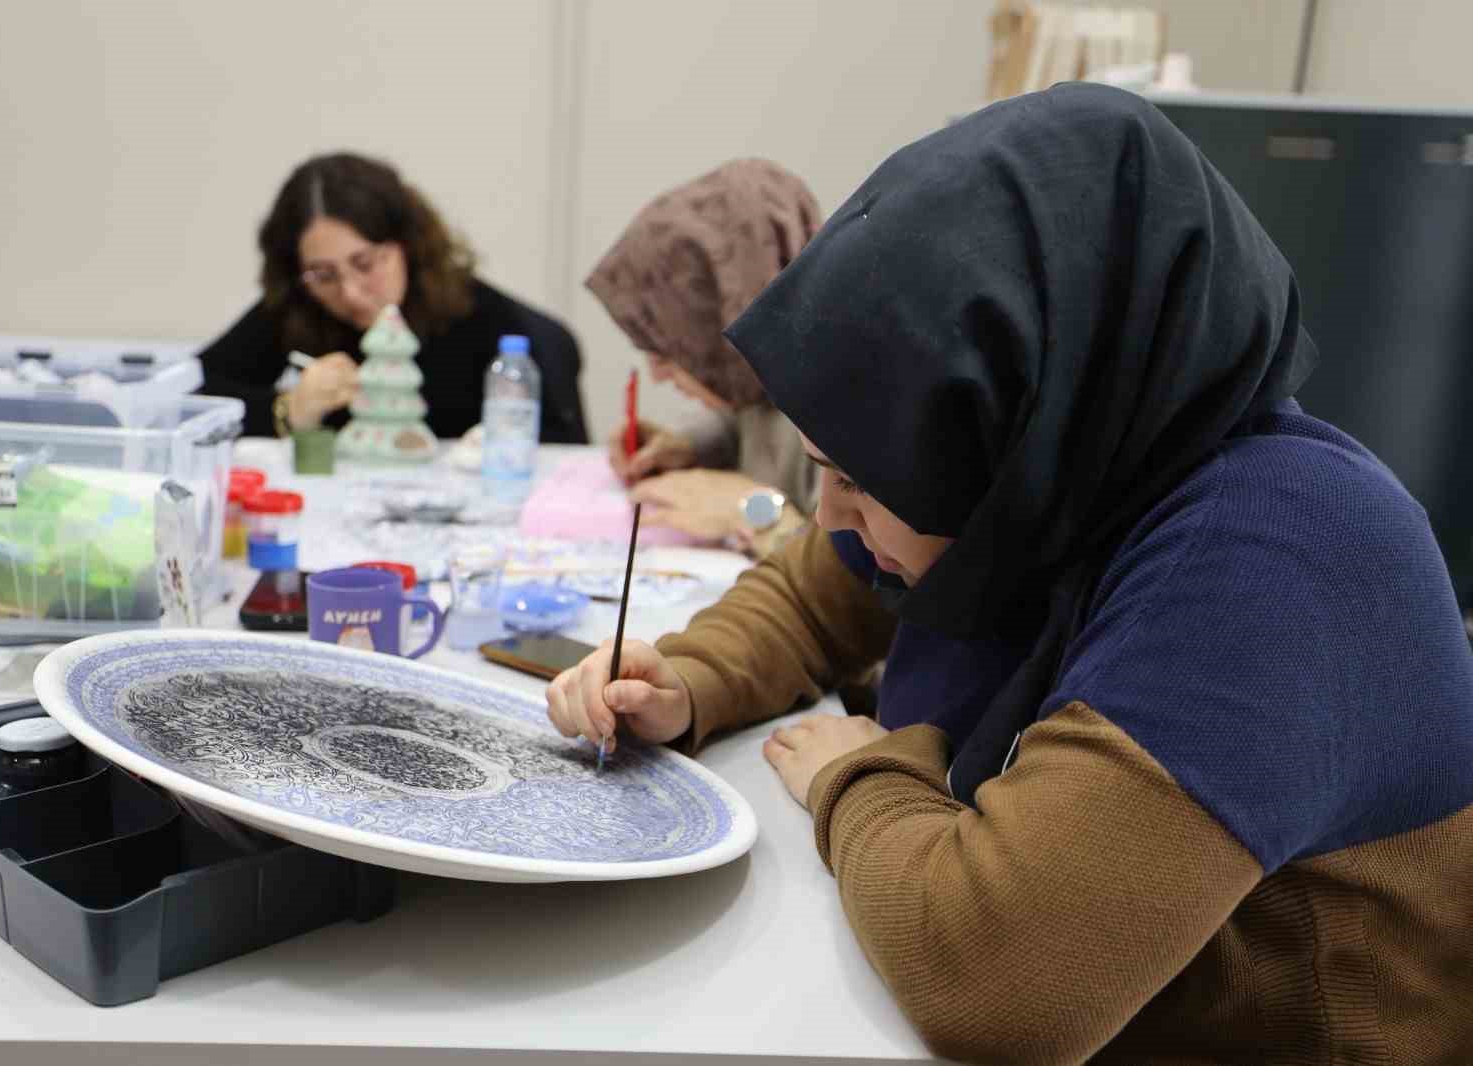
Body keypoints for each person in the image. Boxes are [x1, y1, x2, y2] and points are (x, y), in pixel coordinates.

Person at [545, 84, 1473, 1062]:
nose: (829, 514)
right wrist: (687, 680)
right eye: (822, 470)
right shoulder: (1056, 470)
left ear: (1022, 412)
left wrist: (854, 774)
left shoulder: (1275, 557)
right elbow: (814, 593)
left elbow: (993, 979)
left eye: (856, 479)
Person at [198, 153, 588, 443]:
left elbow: (560, 454)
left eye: (365, 263)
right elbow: (193, 396)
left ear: (407, 245)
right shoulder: (300, 303)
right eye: (324, 274)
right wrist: (288, 410)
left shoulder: (483, 316)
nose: (350, 292)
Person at [585, 158, 822, 558]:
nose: (657, 375)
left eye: (670, 350)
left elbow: (854, 582)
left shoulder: (844, 399)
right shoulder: (769, 365)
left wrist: (749, 508)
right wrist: (688, 446)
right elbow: (750, 419)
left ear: (728, 314)